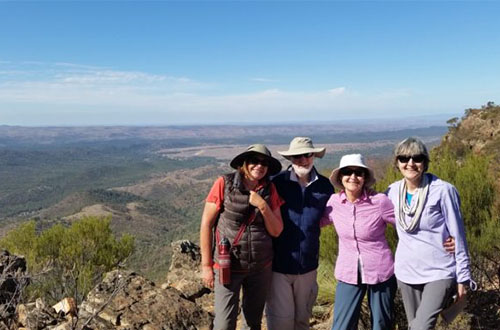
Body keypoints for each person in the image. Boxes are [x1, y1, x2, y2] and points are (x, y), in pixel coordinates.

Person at [386, 137, 474, 330]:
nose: (410, 163)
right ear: (397, 163)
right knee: (415, 325)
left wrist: (463, 277)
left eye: (417, 158)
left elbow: (458, 236)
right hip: (406, 271)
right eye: (404, 158)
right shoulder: (392, 192)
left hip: (439, 270)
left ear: (425, 162)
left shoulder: (442, 190)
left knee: (420, 327)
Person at [200, 144, 284, 330]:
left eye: (264, 163)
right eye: (254, 161)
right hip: (228, 265)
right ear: (244, 163)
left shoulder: (270, 190)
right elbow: (206, 224)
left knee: (252, 323)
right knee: (223, 324)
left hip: (260, 267)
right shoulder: (224, 183)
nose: (259, 166)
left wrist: (262, 205)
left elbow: (277, 230)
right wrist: (206, 266)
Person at [322, 154, 397, 330]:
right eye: (348, 172)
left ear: (364, 178)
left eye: (358, 172)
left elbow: (406, 227)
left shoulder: (380, 202)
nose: (353, 177)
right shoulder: (334, 202)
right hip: (348, 271)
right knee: (342, 325)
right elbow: (313, 223)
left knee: (381, 324)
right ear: (341, 177)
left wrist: (443, 238)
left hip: (380, 271)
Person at [266, 137, 334, 330]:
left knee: (302, 321)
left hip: (308, 267)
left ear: (313, 156)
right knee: (280, 322)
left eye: (307, 155)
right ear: (290, 158)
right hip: (279, 266)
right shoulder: (277, 183)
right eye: (297, 156)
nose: (303, 160)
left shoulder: (325, 186)